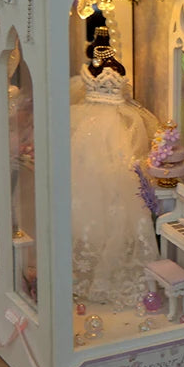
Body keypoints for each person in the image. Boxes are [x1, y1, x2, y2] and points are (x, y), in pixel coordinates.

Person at [71, 44, 159, 306]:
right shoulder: (102, 77)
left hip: (107, 123)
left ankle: (106, 268)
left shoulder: (122, 107)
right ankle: (87, 260)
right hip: (94, 124)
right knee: (87, 194)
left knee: (114, 195)